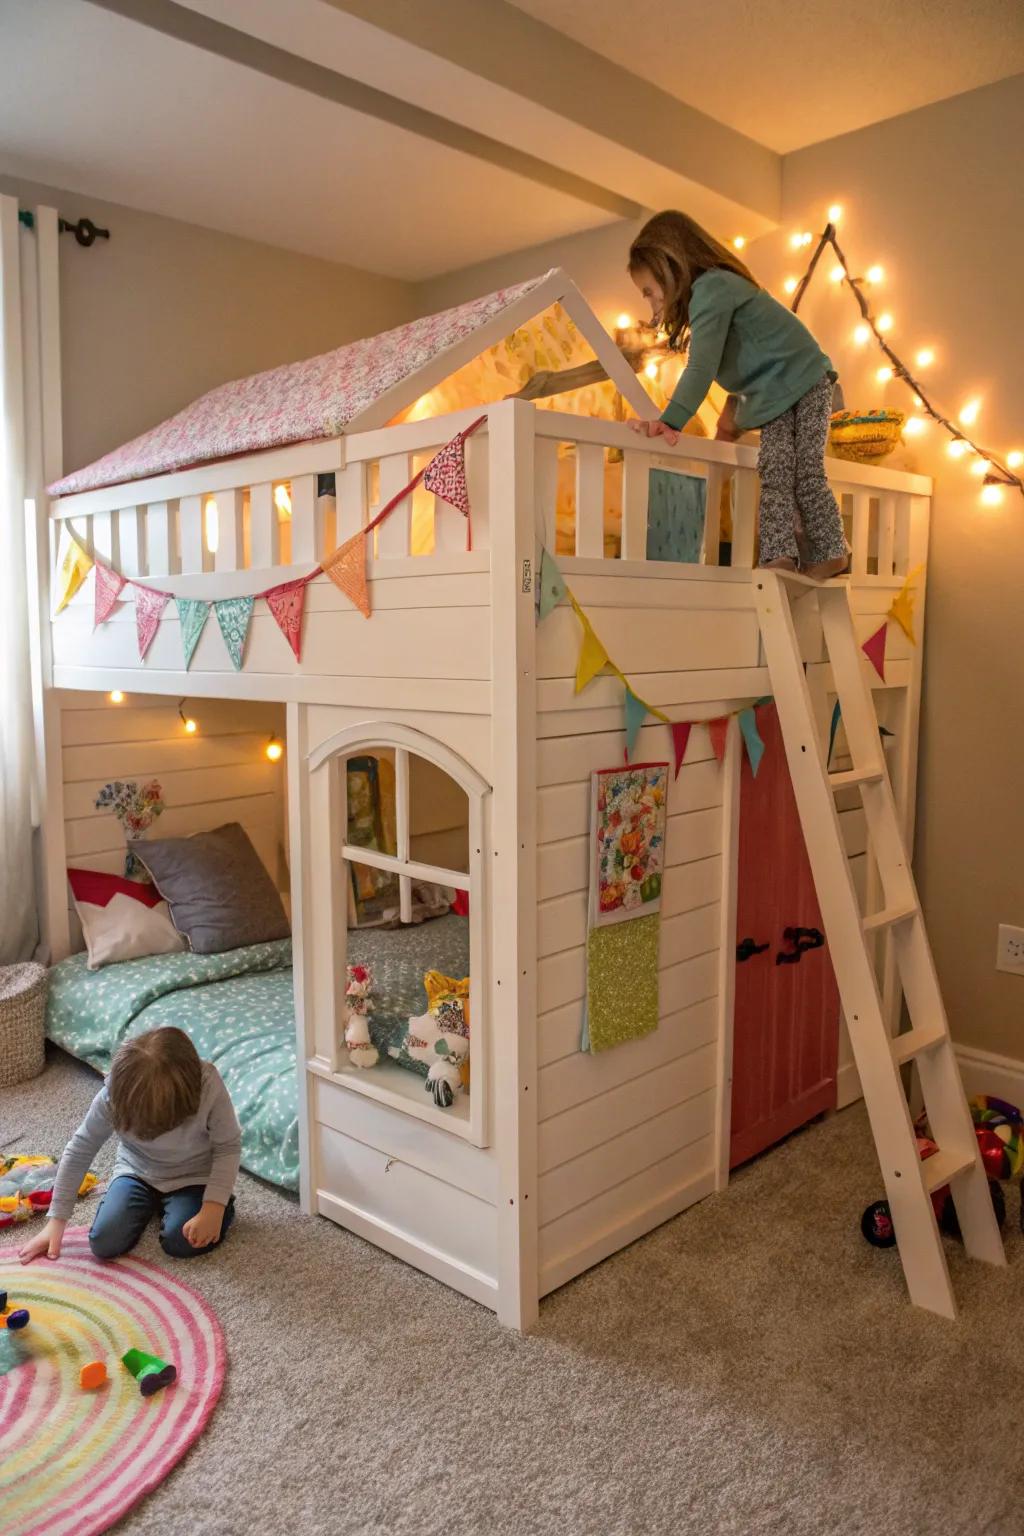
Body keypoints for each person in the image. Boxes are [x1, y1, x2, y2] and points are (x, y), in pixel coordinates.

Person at [627, 209, 849, 580]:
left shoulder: (713, 288)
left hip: (807, 382)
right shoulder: (709, 298)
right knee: (776, 471)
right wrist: (733, 416)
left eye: (649, 291)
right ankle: (779, 556)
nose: (651, 305)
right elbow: (747, 366)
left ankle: (832, 551)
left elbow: (701, 368)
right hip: (778, 393)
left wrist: (670, 421)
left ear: (669, 264)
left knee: (806, 472)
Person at [19, 1027, 240, 1264]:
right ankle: (160, 1206)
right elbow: (81, 1148)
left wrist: (214, 1207)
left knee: (181, 1242)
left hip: (194, 1177)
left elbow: (228, 1146)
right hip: (136, 1172)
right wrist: (56, 1221)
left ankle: (214, 1206)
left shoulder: (208, 1085)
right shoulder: (115, 1092)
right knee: (104, 1243)